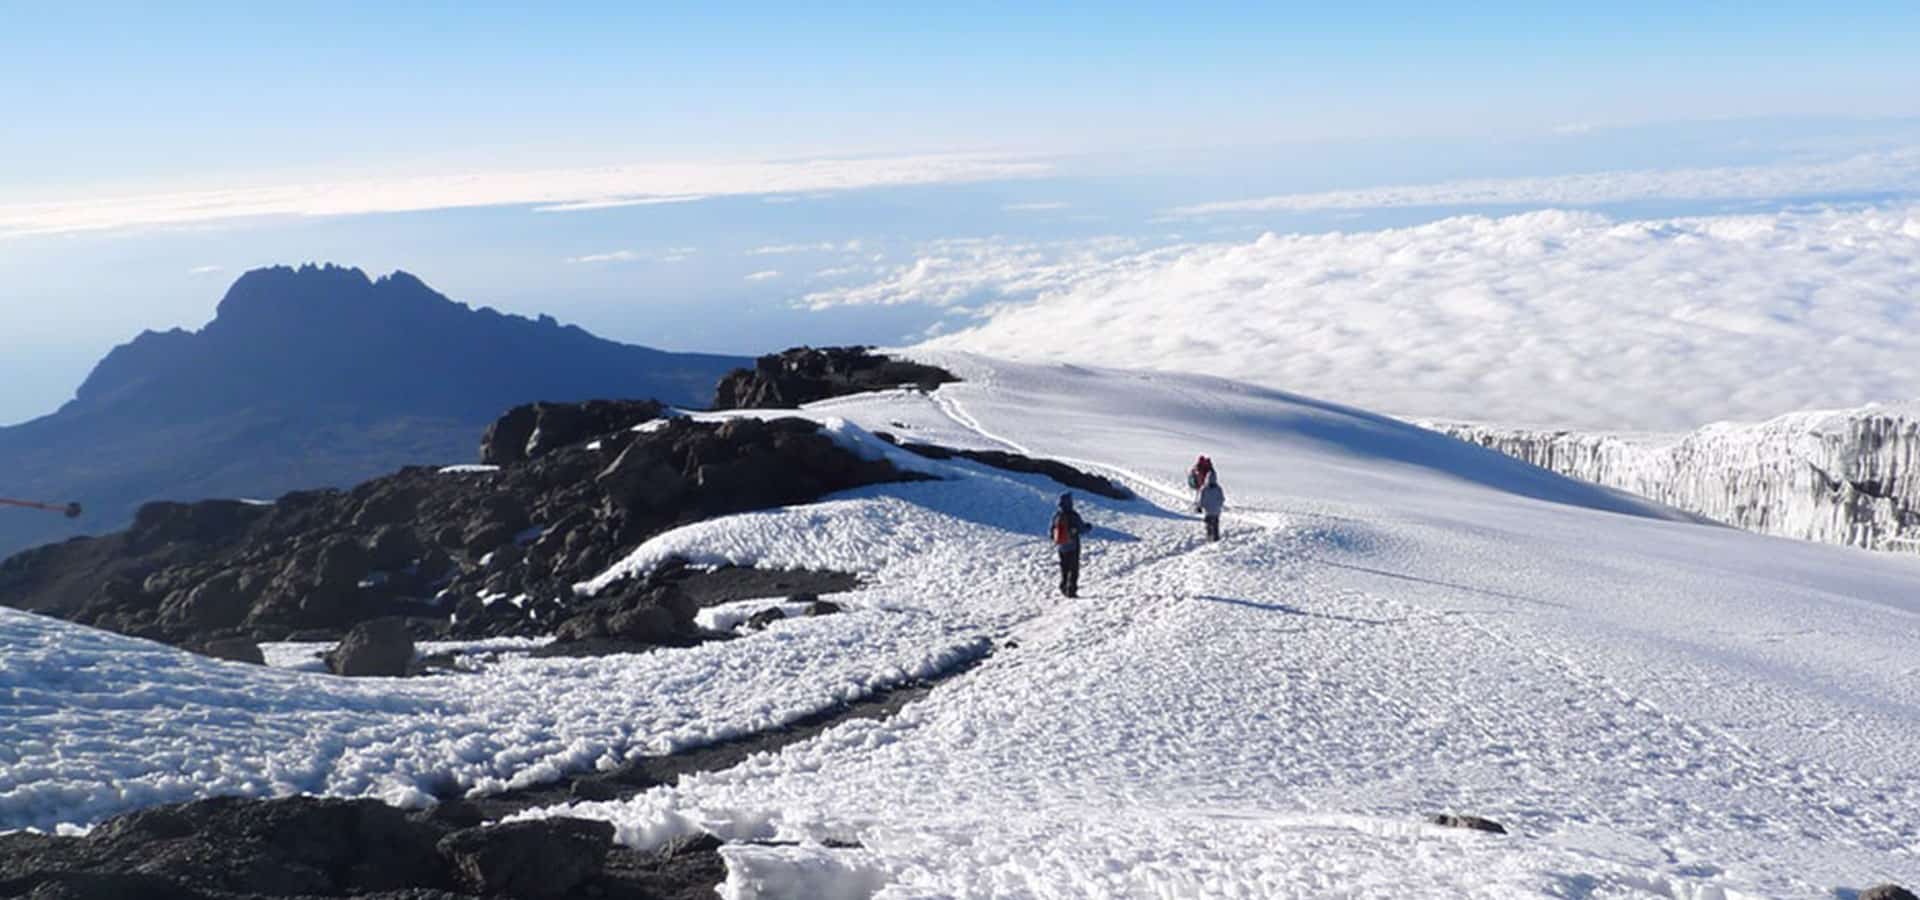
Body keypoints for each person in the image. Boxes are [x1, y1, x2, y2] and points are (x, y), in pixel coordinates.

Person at [1049, 492, 1091, 598]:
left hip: (1061, 547)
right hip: (1073, 546)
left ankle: (1063, 586)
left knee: (1064, 567)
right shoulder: (1073, 515)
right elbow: (1082, 529)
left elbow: (1051, 532)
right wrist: (1088, 527)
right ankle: (1071, 591)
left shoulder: (1057, 516)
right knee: (1073, 569)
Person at [1197, 470, 1226, 541]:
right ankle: (1216, 537)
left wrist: (1200, 507)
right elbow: (1221, 499)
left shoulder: (1204, 489)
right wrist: (1219, 506)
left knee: (1208, 524)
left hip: (1208, 511)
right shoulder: (1218, 489)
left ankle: (1209, 536)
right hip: (1216, 511)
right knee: (1216, 525)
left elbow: (1202, 500)